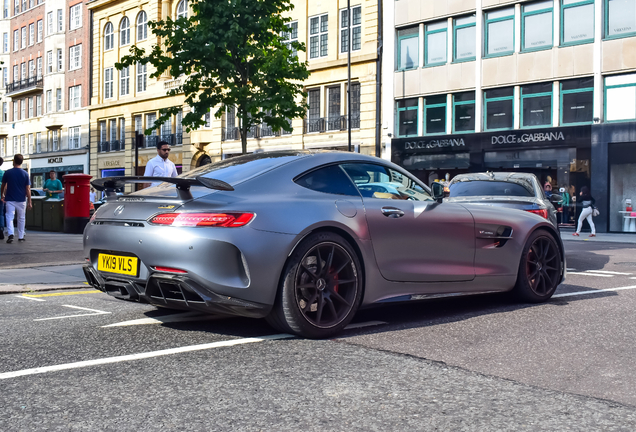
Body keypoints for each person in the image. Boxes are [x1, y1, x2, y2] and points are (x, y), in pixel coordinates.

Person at [0, 154, 32, 243]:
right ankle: (21, 236)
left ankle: (11, 234)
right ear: (21, 162)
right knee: (21, 218)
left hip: (10, 198)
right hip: (21, 199)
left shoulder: (8, 172)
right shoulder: (25, 174)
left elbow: (3, 186)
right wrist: (29, 201)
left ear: (13, 161)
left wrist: (2, 194)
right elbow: (28, 188)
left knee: (9, 216)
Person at [0, 157, 5, 240]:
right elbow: (5, 185)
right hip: (1, 196)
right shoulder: (3, 173)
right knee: (1, 214)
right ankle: (1, 228)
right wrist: (3, 195)